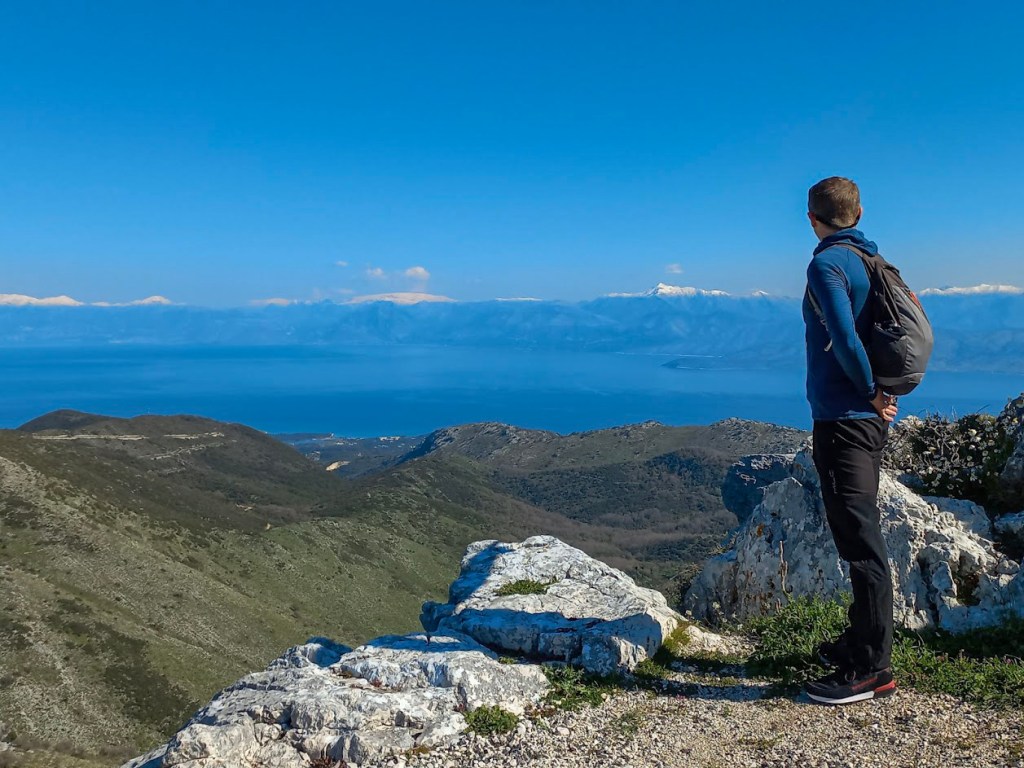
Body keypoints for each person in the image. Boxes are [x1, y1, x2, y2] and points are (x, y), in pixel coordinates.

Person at [801, 176, 899, 705]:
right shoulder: (869, 259)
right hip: (864, 420)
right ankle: (858, 640)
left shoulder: (827, 264)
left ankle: (870, 669)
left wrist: (869, 393)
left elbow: (843, 336)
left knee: (860, 544)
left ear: (811, 219)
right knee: (857, 535)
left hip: (845, 419)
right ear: (858, 214)